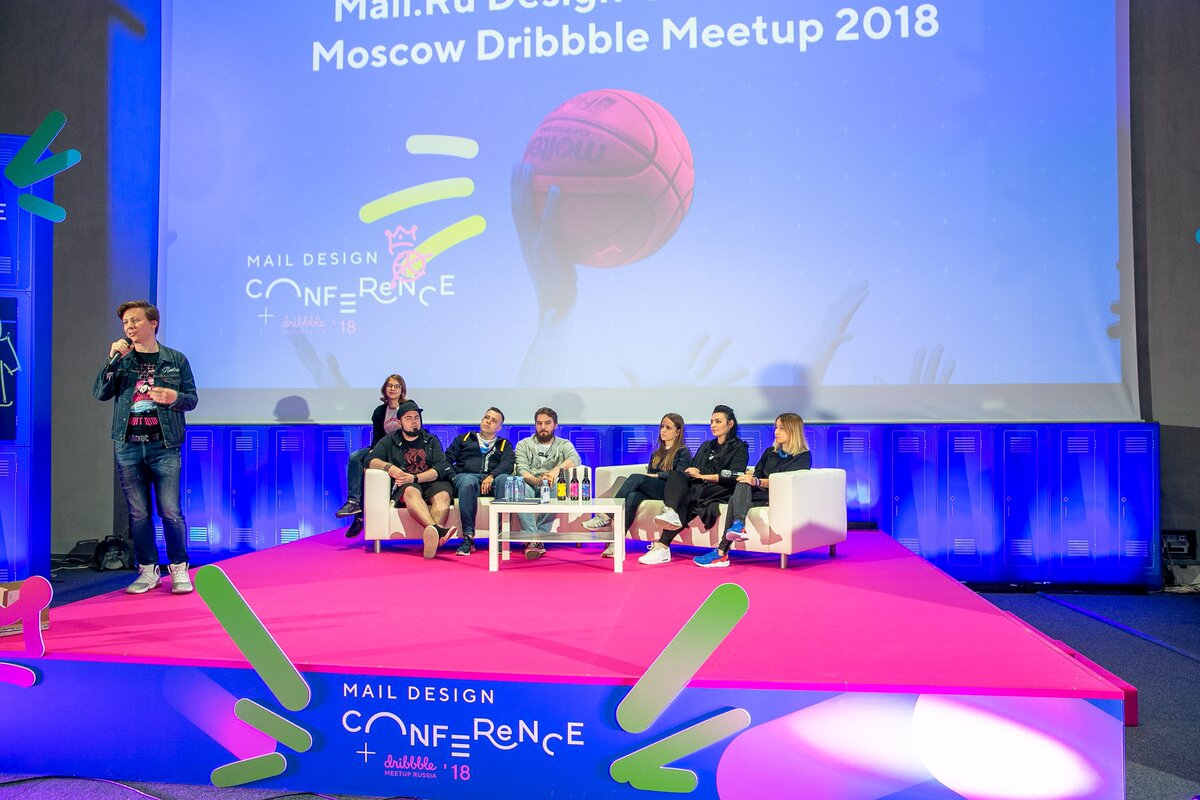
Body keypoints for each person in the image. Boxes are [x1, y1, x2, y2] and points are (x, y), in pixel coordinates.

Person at [93, 300, 199, 595]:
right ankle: (148, 570)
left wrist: (174, 398)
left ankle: (178, 568)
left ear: (153, 323)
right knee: (139, 514)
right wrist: (111, 360)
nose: (129, 326)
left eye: (135, 320)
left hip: (163, 446)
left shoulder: (175, 360)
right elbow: (100, 393)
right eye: (126, 322)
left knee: (170, 511)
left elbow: (191, 399)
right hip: (128, 447)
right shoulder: (122, 360)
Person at [693, 413, 812, 568]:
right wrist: (751, 478)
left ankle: (722, 551)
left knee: (735, 498)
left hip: (777, 496)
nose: (776, 432)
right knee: (742, 483)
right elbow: (757, 473)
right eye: (776, 427)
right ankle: (736, 527)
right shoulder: (770, 452)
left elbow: (784, 481)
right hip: (758, 492)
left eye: (781, 428)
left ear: (793, 431)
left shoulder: (803, 456)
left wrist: (756, 481)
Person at [642, 405, 748, 566]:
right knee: (677, 476)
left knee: (688, 496)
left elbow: (733, 477)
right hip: (701, 487)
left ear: (730, 424)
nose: (713, 425)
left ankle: (663, 544)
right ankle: (669, 519)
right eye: (711, 421)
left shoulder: (740, 448)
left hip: (722, 489)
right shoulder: (707, 446)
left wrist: (703, 476)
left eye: (718, 421)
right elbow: (693, 469)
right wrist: (697, 474)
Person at [584, 413, 692, 558]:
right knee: (633, 496)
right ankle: (617, 544)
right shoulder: (656, 453)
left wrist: (658, 475)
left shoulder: (683, 452)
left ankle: (606, 515)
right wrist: (653, 477)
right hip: (655, 488)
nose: (663, 430)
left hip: (670, 491)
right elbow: (650, 474)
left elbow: (680, 476)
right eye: (662, 427)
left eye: (668, 428)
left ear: (677, 432)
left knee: (636, 478)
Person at [366, 400, 457, 559]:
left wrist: (415, 477)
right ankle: (438, 531)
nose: (414, 422)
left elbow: (440, 468)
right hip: (406, 484)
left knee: (443, 495)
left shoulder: (431, 439)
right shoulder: (390, 440)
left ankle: (433, 537)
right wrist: (390, 468)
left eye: (416, 418)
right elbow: (370, 460)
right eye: (408, 418)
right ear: (400, 422)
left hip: (430, 481)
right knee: (410, 491)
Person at [497, 407, 580, 560]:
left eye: (547, 423)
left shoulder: (563, 444)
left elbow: (575, 458)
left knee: (558, 487)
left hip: (551, 483)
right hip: (530, 482)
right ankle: (532, 538)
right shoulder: (524, 444)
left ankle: (538, 538)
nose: (543, 427)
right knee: (520, 488)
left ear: (555, 425)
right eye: (539, 423)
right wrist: (537, 481)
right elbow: (522, 470)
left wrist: (554, 472)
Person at [337, 374, 406, 537]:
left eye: (397, 386)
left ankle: (360, 518)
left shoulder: (408, 407)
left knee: (369, 466)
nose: (393, 389)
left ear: (402, 390)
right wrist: (374, 453)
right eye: (390, 385)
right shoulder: (380, 411)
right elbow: (377, 437)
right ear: (385, 389)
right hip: (381, 447)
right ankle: (354, 503)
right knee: (356, 458)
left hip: (401, 449)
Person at [446, 407, 516, 556]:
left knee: (505, 479)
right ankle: (468, 537)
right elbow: (446, 460)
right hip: (466, 478)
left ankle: (501, 537)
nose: (488, 421)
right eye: (486, 417)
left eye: (494, 420)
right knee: (468, 480)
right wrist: (453, 476)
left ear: (499, 428)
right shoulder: (464, 439)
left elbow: (508, 464)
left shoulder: (504, 444)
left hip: (491, 480)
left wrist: (492, 476)